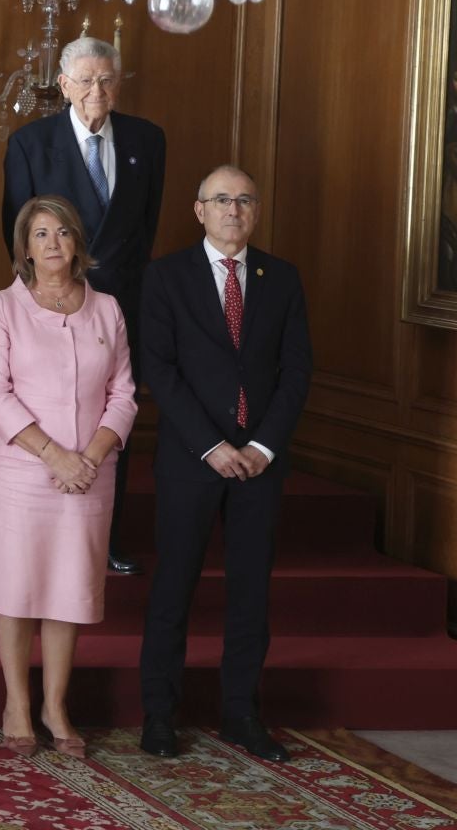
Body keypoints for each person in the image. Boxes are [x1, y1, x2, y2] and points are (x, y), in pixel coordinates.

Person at [138, 166, 312, 763]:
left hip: (260, 464)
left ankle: (241, 713)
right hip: (193, 460)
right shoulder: (165, 277)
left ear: (255, 211)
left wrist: (262, 447)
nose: (233, 209)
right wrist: (212, 446)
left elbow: (296, 372)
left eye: (243, 200)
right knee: (173, 590)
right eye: (221, 200)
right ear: (199, 210)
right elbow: (159, 370)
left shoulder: (282, 279)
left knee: (250, 595)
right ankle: (160, 715)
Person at [0, 195, 137, 759]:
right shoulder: (2, 307)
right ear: (26, 249)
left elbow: (124, 393)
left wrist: (89, 455)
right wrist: (54, 456)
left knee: (69, 591)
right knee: (16, 590)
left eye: (62, 232)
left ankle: (54, 705)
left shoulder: (107, 308)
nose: (54, 243)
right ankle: (16, 703)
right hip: (22, 471)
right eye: (41, 234)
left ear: (76, 242)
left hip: (90, 473)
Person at [2, 35, 164, 575]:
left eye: (107, 79)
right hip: (51, 305)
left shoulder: (149, 139)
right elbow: (17, 231)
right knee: (53, 413)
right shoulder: (31, 142)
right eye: (86, 79)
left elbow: (145, 229)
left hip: (123, 306)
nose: (98, 89)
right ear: (64, 85)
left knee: (112, 414)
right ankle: (45, 538)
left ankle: (106, 540)